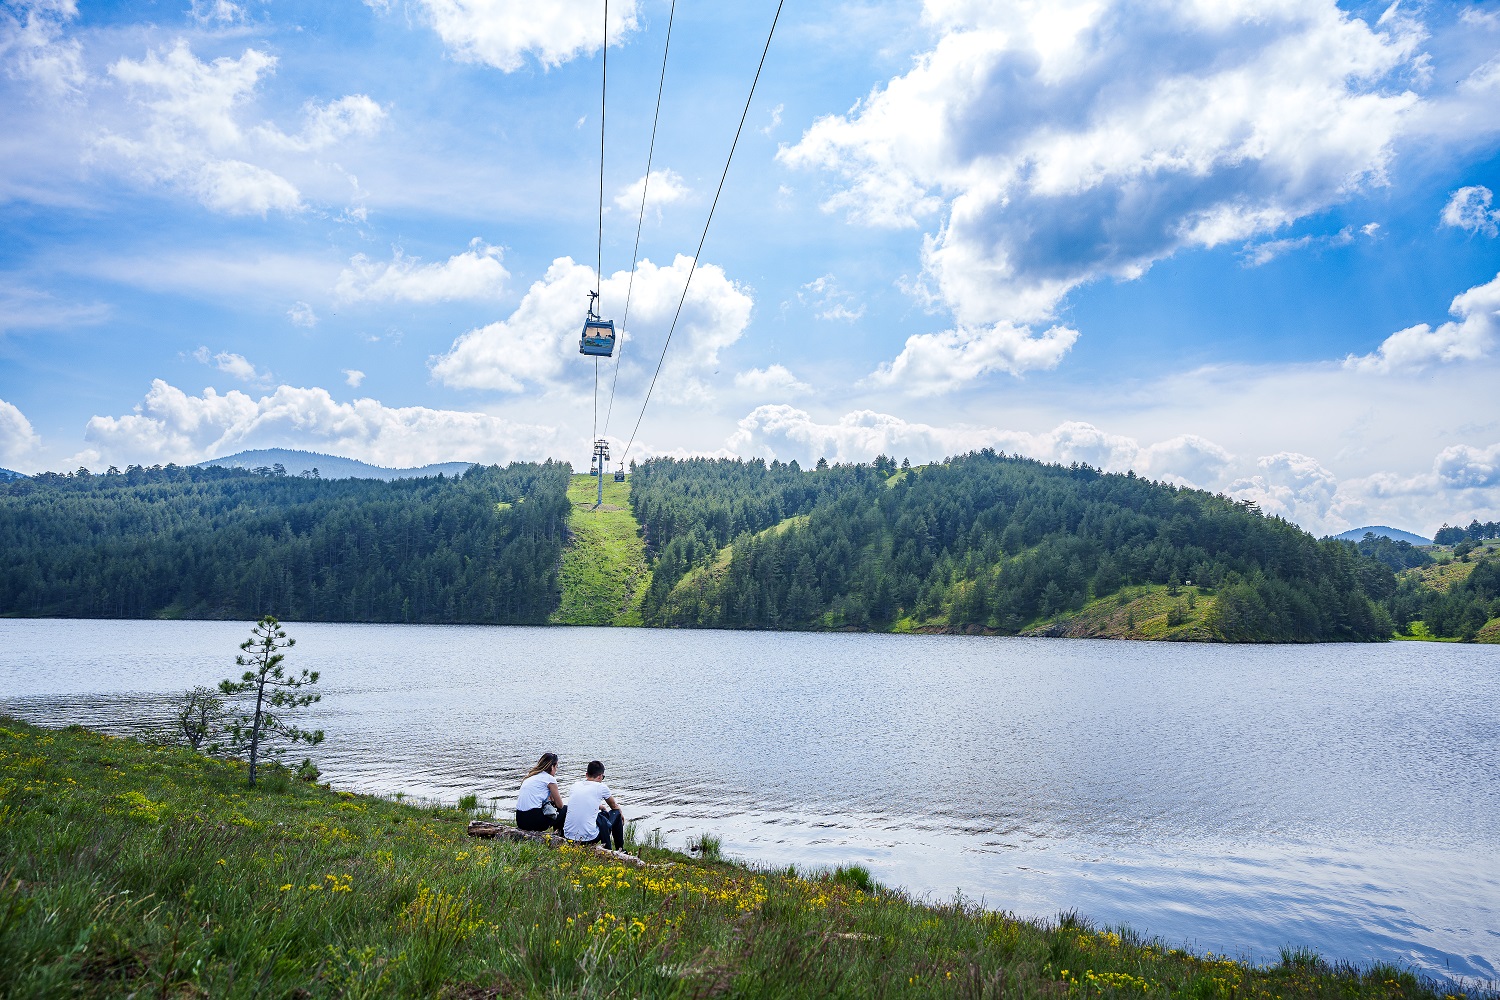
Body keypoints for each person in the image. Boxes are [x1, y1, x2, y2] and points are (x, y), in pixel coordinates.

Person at [563, 759, 624, 851]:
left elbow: (583, 802)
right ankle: (620, 848)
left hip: (568, 836)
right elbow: (614, 806)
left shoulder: (575, 785)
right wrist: (621, 814)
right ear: (600, 776)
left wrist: (600, 806)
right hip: (589, 838)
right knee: (616, 813)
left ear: (586, 775)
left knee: (600, 816)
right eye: (603, 777)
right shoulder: (601, 787)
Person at [515, 752, 566, 833]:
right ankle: (560, 836)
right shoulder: (550, 779)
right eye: (556, 767)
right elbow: (560, 805)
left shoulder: (531, 776)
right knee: (565, 809)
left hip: (520, 820)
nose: (556, 770)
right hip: (533, 822)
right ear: (552, 767)